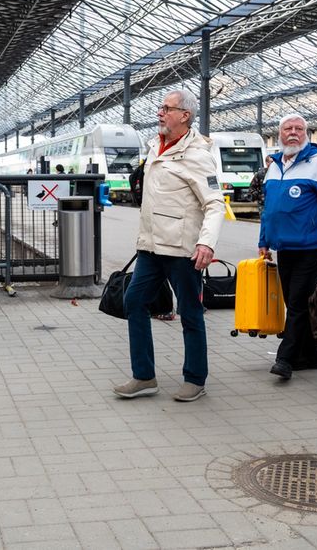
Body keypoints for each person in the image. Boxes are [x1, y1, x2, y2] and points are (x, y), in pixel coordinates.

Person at [114, 88, 224, 402]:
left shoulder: (198, 155)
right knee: (133, 302)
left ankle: (195, 379)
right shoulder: (155, 146)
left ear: (184, 115)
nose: (159, 113)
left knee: (189, 313)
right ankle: (144, 376)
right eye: (161, 108)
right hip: (150, 248)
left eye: (166, 108)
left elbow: (215, 203)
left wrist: (206, 244)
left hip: (181, 250)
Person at [257, 113, 317, 381]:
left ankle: (285, 359)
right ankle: (313, 355)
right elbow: (268, 211)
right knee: (295, 301)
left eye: (299, 128)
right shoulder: (274, 165)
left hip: (311, 245)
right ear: (280, 133)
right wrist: (264, 240)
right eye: (288, 128)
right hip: (284, 246)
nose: (293, 132)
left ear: (307, 133)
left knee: (296, 302)